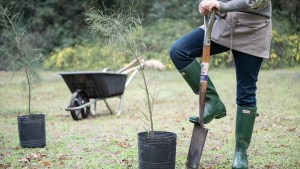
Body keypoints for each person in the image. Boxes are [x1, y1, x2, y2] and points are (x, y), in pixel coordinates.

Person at [169, 0, 272, 168]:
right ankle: (212, 101)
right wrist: (206, 3)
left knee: (246, 91)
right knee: (179, 50)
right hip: (223, 25)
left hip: (253, 29)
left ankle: (240, 151)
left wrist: (220, 4)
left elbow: (256, 1)